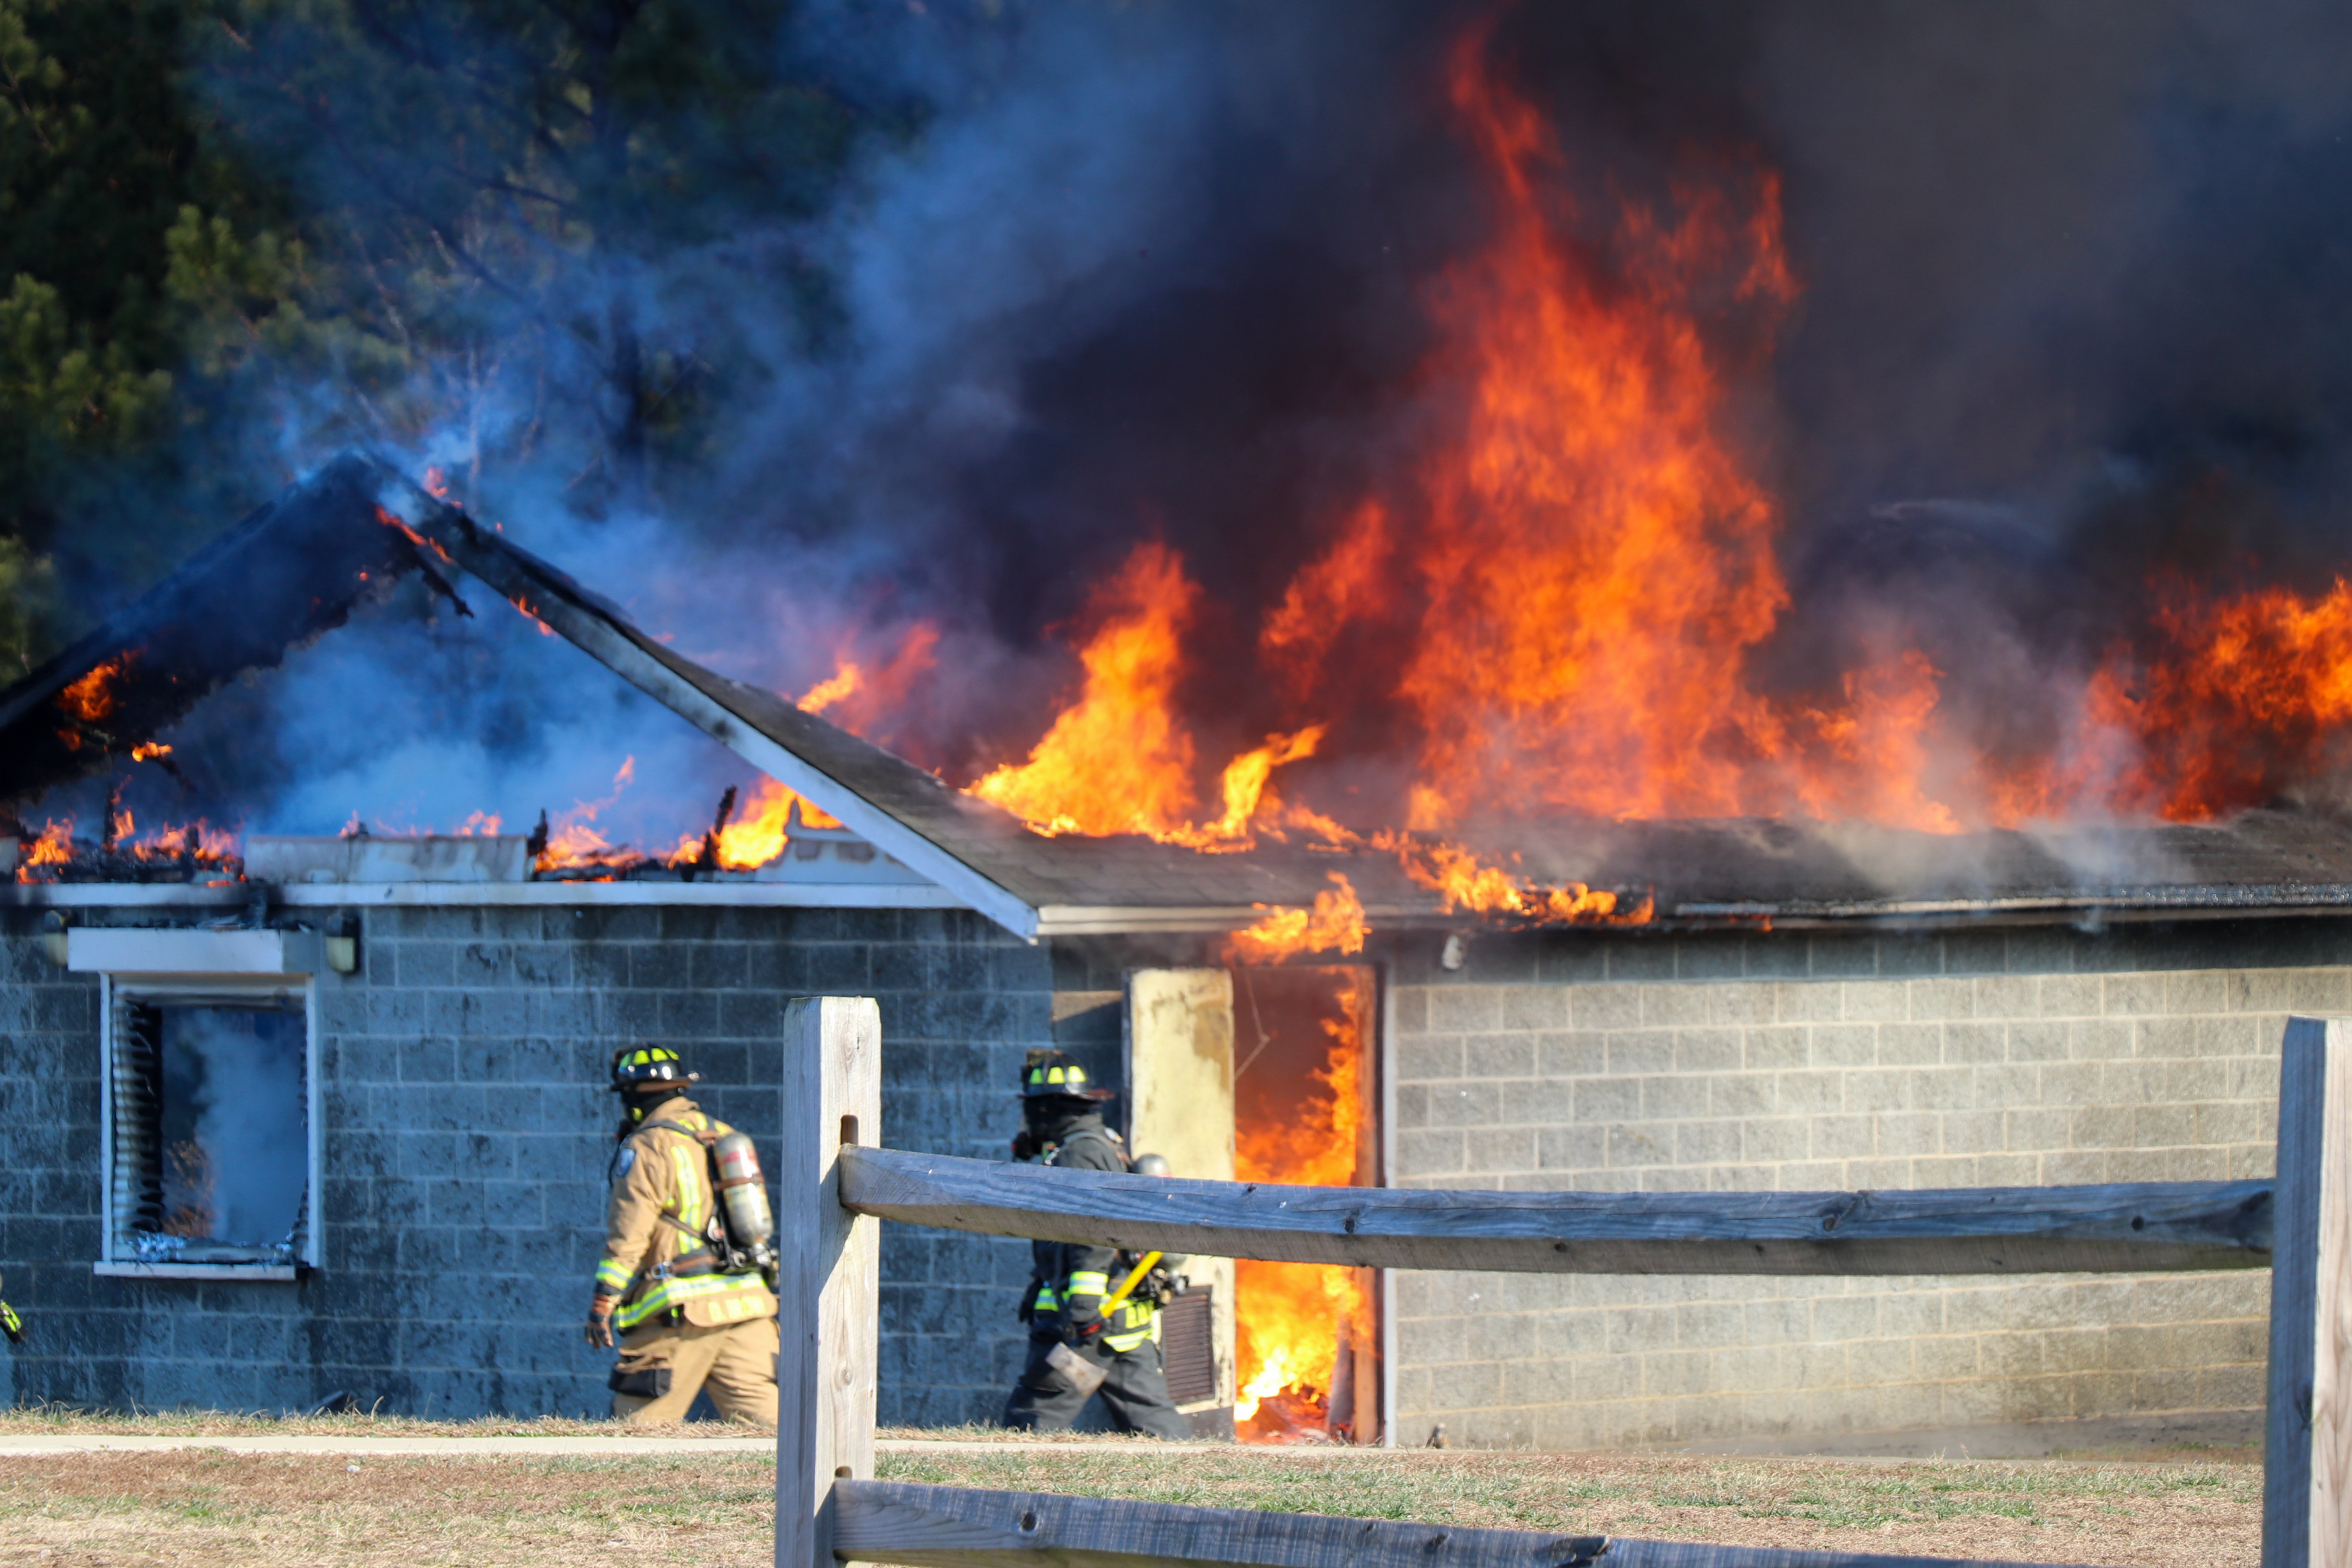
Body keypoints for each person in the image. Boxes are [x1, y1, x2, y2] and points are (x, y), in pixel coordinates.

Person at [1000, 1050, 1191, 1438]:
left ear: (1049, 1108)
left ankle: (1009, 1474)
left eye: (1034, 1109)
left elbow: (1094, 1235)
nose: (1030, 1118)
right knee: (1157, 1427)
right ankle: (1194, 1472)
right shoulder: (1099, 1142)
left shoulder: (1080, 1154)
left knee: (1034, 1417)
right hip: (1119, 1323)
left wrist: (1084, 1310)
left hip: (1087, 1327)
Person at [586, 1045, 780, 1427]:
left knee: (635, 1436)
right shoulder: (723, 1134)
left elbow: (628, 1235)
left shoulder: (647, 1145)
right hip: (748, 1307)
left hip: (679, 1315)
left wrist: (603, 1300)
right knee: (772, 1436)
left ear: (633, 1097)